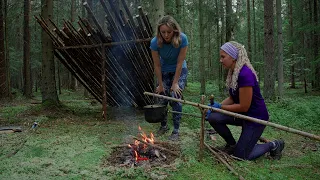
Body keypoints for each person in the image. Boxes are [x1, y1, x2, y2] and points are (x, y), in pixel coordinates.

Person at [207, 41, 285, 160]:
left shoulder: (245, 74)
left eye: (223, 56)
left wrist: (220, 107)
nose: (220, 60)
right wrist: (214, 108)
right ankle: (232, 145)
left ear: (233, 57)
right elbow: (233, 98)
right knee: (213, 117)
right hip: (242, 115)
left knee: (241, 156)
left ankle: (273, 145)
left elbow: (244, 106)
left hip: (255, 118)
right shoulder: (233, 72)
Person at [150, 15, 188, 141]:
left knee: (175, 96)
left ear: (175, 31)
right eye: (163, 32)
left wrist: (175, 83)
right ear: (159, 32)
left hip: (179, 69)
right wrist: (160, 84)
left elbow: (179, 62)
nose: (166, 35)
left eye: (169, 32)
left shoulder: (182, 39)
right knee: (162, 96)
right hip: (164, 70)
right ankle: (164, 126)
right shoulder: (155, 42)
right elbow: (157, 65)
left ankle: (176, 130)